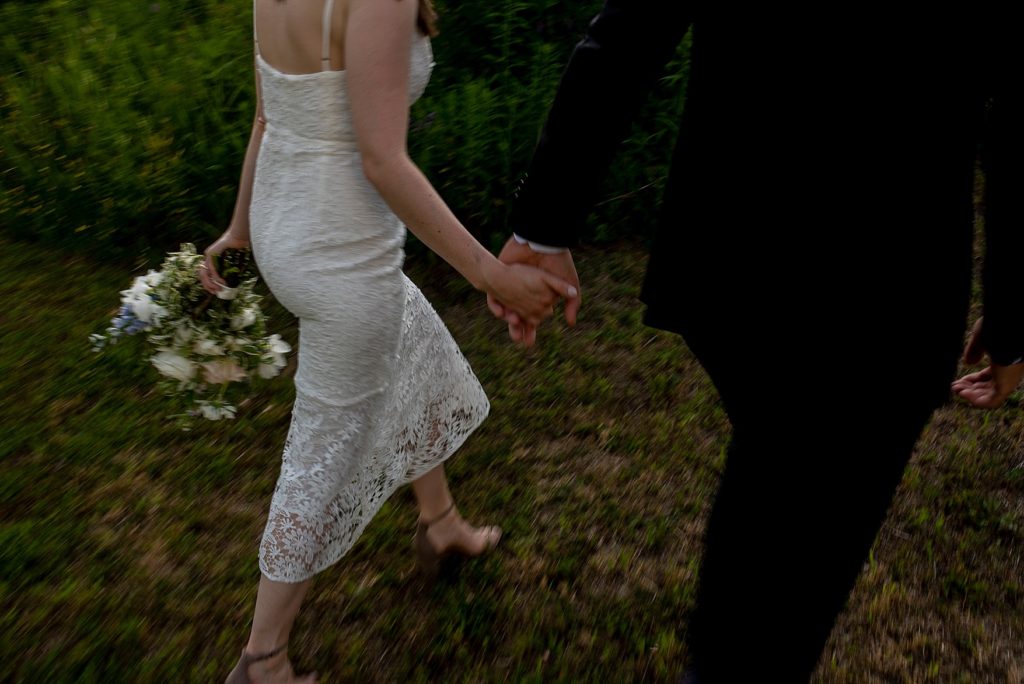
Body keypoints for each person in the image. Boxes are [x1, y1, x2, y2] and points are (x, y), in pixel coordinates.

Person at [493, 2, 1023, 681]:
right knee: (787, 576)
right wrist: (1009, 321)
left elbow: (626, 35)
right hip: (888, 303)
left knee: (777, 488)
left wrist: (543, 224)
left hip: (737, 269)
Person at [200, 0, 578, 681]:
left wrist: (241, 229)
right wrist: (490, 274)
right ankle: (263, 658)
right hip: (341, 255)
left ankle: (440, 525)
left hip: (289, 227)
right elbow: (383, 161)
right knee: (321, 458)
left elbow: (267, 116)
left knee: (412, 352)